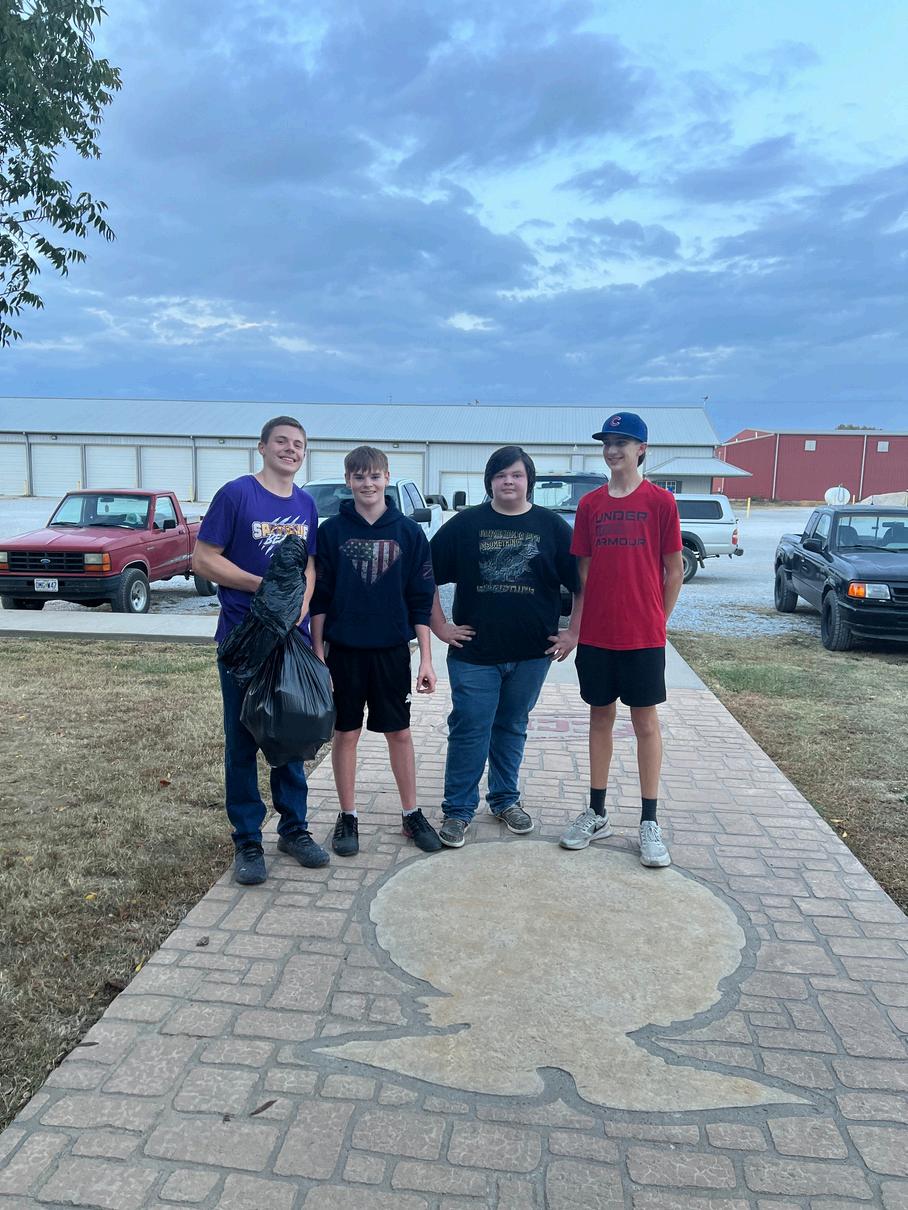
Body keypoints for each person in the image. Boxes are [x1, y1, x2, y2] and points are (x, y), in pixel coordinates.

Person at [193, 415, 330, 885]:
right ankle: (248, 839)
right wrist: (264, 588)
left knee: (291, 735)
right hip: (244, 640)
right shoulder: (237, 495)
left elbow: (309, 566)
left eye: (299, 444)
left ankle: (294, 829)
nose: (291, 449)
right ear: (263, 447)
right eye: (282, 442)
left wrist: (301, 603)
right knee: (242, 742)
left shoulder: (306, 504)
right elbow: (203, 559)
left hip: (289, 641)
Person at [430, 446, 580, 848]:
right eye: (500, 475)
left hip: (532, 654)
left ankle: (504, 800)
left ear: (529, 480)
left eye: (516, 474)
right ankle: (458, 811)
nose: (508, 481)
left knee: (512, 726)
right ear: (490, 481)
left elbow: (582, 583)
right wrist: (440, 626)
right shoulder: (466, 524)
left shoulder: (551, 526)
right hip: (475, 654)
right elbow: (423, 573)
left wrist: (574, 633)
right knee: (470, 727)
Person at [559, 412, 683, 867]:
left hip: (643, 636)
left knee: (645, 722)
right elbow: (584, 572)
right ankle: (597, 812)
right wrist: (580, 625)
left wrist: (656, 620)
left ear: (641, 449)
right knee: (600, 717)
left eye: (622, 442)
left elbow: (674, 571)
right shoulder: (590, 505)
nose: (612, 451)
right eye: (607, 443)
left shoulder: (660, 503)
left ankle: (649, 820)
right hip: (598, 635)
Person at [310, 446, 442, 856]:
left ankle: (411, 813)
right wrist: (318, 656)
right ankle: (348, 816)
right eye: (359, 476)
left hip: (391, 652)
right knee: (345, 733)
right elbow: (320, 599)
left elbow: (420, 599)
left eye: (374, 476)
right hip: (344, 653)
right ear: (348, 481)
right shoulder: (332, 532)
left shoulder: (409, 533)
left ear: (387, 477)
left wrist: (426, 658)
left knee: (399, 732)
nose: (367, 484)